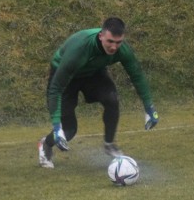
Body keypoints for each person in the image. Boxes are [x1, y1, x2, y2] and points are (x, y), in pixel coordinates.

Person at [37, 17, 158, 168]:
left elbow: (137, 75)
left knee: (111, 99)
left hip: (93, 72)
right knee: (68, 130)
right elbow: (55, 89)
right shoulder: (79, 50)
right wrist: (56, 126)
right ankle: (45, 144)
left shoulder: (122, 50)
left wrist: (149, 106)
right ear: (101, 36)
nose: (114, 47)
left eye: (118, 42)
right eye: (110, 41)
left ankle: (109, 144)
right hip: (67, 76)